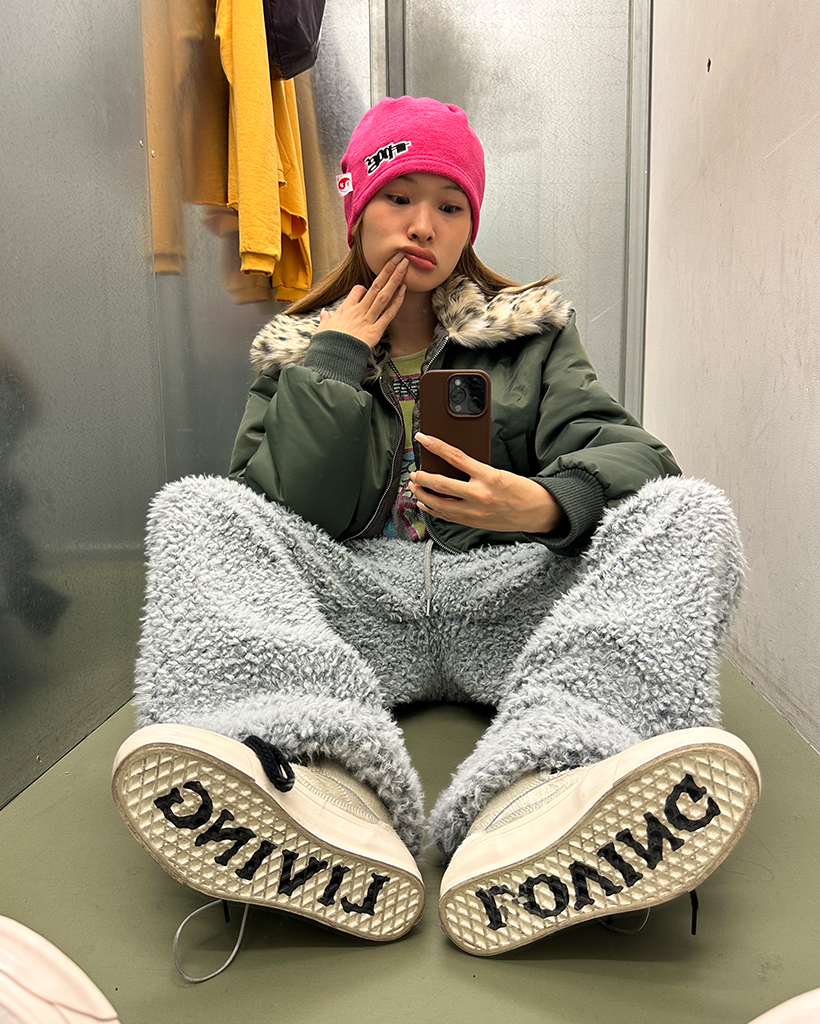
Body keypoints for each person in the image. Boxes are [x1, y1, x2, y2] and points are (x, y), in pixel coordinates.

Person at [112, 96, 760, 969]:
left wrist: (543, 505)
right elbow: (273, 509)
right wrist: (333, 362)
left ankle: (569, 779)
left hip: (507, 599)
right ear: (357, 209)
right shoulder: (298, 352)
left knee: (692, 510)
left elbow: (633, 455)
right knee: (196, 509)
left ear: (469, 227)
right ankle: (297, 778)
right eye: (399, 197)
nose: (423, 225)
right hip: (355, 610)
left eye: (450, 205)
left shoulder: (531, 336)